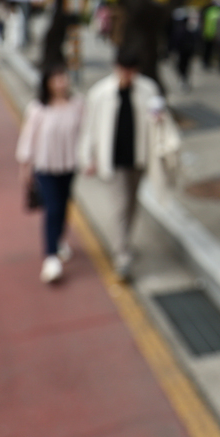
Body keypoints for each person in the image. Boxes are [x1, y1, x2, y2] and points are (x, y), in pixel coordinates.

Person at [79, 47, 182, 280]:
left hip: (139, 156)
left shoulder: (148, 90)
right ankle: (122, 255)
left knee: (132, 203)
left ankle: (124, 242)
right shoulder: (100, 93)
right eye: (124, 70)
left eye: (131, 71)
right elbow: (90, 128)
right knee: (121, 206)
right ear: (116, 68)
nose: (127, 75)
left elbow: (159, 117)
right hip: (112, 158)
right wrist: (88, 157)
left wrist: (159, 119)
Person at [15, 63, 84, 284]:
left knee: (64, 205)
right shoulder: (38, 109)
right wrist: (25, 166)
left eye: (63, 77)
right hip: (45, 167)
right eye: (55, 79)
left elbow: (86, 133)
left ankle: (59, 239)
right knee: (53, 208)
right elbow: (28, 139)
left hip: (69, 165)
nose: (61, 83)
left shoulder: (77, 104)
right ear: (47, 83)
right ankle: (50, 256)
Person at [201, 0, 220, 69]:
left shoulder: (209, 11)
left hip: (210, 33)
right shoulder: (219, 11)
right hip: (213, 34)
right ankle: (207, 63)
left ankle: (208, 63)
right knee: (210, 50)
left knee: (209, 50)